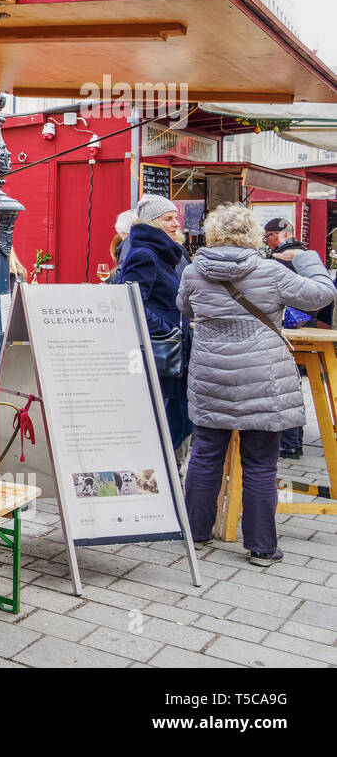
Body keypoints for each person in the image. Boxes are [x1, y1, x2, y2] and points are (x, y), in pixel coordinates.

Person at [177, 204, 336, 566]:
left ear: (213, 233)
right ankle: (262, 547)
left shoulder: (193, 271)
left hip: (211, 373)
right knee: (261, 464)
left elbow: (183, 307)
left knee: (205, 455)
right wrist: (308, 258)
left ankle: (196, 533)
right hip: (263, 377)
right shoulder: (270, 271)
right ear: (252, 235)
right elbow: (320, 295)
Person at [115, 195, 192, 447]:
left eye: (175, 218)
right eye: (167, 219)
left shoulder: (167, 254)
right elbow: (132, 303)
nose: (175, 224)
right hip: (159, 352)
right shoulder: (145, 254)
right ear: (151, 223)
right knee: (170, 421)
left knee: (180, 420)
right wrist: (169, 330)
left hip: (172, 351)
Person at [262, 217, 332, 457]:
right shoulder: (308, 258)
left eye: (267, 237)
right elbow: (324, 297)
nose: (267, 242)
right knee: (293, 385)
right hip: (308, 331)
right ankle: (292, 443)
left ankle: (288, 443)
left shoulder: (275, 262)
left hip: (279, 332)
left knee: (282, 387)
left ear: (275, 235)